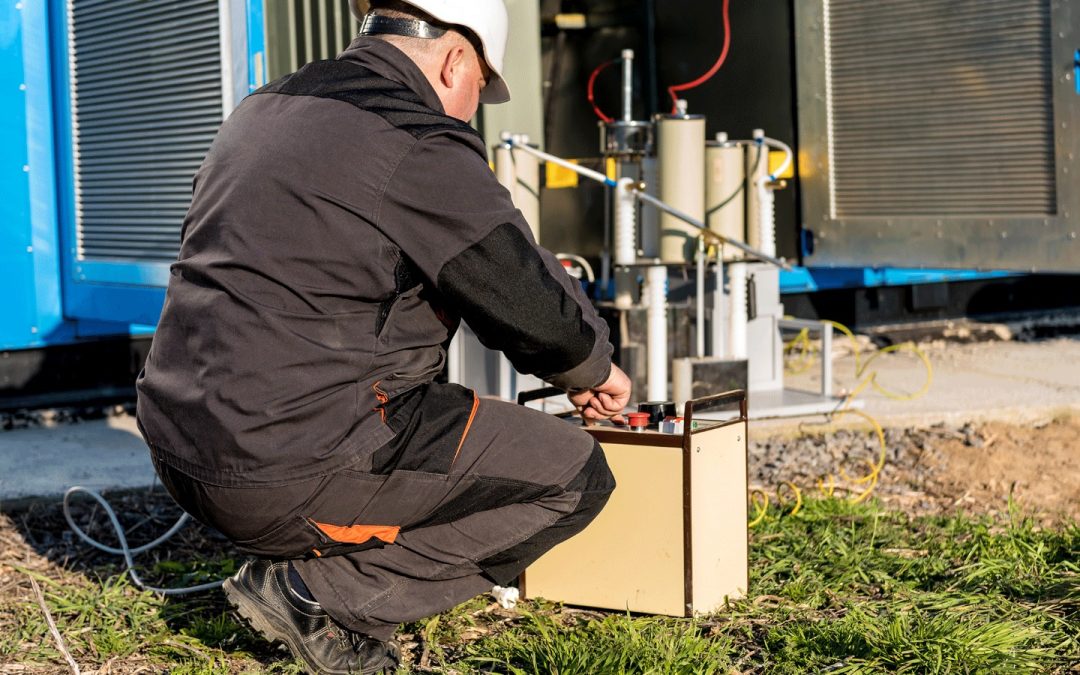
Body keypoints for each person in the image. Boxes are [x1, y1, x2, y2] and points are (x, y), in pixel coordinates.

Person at [134, 0, 631, 672]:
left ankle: (312, 539)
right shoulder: (415, 138)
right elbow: (523, 293)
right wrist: (595, 368)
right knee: (574, 476)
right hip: (281, 469)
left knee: (441, 419)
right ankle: (317, 596)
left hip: (178, 448)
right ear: (455, 60)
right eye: (479, 88)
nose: (471, 113)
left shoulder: (264, 108)